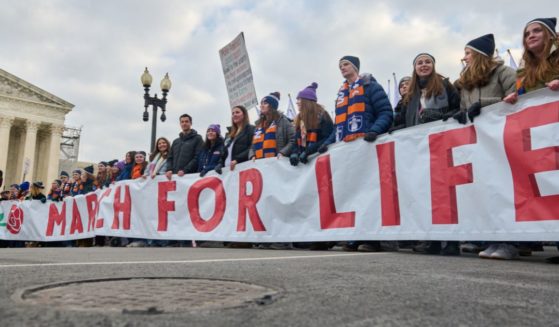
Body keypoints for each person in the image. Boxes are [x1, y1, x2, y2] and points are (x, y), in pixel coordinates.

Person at [319, 55, 393, 253]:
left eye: (345, 64)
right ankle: (354, 235)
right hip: (347, 151)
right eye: (340, 66)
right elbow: (338, 126)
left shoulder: (371, 87)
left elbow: (386, 112)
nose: (342, 68)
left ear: (355, 67)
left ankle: (372, 238)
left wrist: (374, 130)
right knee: (349, 194)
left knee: (369, 193)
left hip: (366, 147)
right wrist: (326, 143)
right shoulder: (342, 94)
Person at [397, 53, 461, 255]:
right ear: (414, 68)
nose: (423, 65)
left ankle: (452, 241)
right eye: (419, 62)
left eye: (427, 62)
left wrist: (440, 117)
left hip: (442, 144)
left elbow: (458, 110)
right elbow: (401, 118)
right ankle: (432, 239)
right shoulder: (411, 94)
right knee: (424, 194)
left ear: (434, 65)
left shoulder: (446, 86)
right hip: (418, 149)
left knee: (446, 194)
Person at [249, 92, 295, 250]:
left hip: (277, 169)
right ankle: (267, 237)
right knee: (265, 204)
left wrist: (283, 152)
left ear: (273, 106)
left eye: (265, 103)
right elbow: (252, 145)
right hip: (262, 171)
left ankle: (283, 239)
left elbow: (293, 139)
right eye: (261, 103)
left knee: (278, 203)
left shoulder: (283, 122)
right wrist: (252, 155)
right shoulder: (258, 125)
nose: (261, 105)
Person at [504, 17, 559, 104]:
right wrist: (513, 97)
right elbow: (520, 94)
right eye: (526, 34)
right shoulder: (522, 71)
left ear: (551, 35)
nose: (531, 36)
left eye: (537, 30)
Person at [289, 82, 334, 167]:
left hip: (319, 159)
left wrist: (308, 151)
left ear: (307, 101)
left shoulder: (323, 115)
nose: (297, 102)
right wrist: (294, 153)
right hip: (304, 161)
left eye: (299, 99)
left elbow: (327, 138)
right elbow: (296, 140)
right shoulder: (300, 119)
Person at [166, 113, 204, 179]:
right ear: (180, 124)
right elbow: (170, 158)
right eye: (182, 122)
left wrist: (185, 170)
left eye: (186, 121)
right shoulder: (175, 141)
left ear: (191, 123)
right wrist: (169, 169)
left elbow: (198, 157)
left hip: (189, 177)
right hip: (174, 176)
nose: (184, 123)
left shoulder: (198, 138)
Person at [221, 105, 255, 171]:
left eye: (237, 112)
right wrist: (220, 164)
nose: (234, 115)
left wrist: (237, 159)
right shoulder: (229, 134)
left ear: (244, 115)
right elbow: (224, 152)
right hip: (226, 171)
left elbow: (252, 148)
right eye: (233, 113)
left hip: (241, 168)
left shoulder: (251, 129)